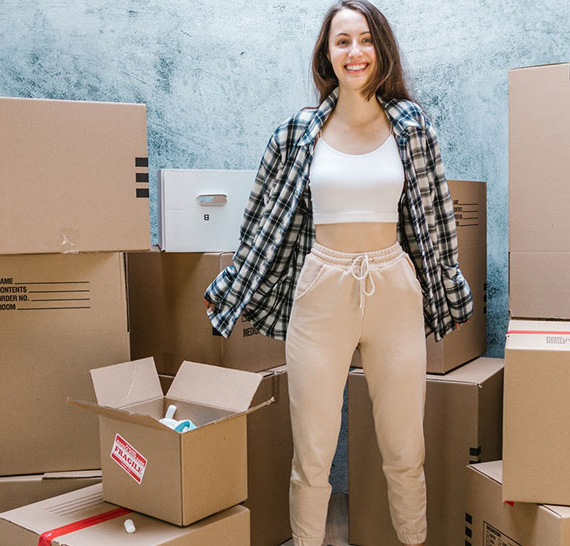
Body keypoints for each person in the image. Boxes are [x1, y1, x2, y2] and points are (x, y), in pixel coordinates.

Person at [204, 1, 473, 544]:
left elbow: (439, 215)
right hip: (321, 289)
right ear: (327, 55)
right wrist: (233, 285)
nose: (355, 52)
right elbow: (260, 221)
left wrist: (446, 285)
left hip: (393, 287)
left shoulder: (412, 127)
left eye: (366, 39)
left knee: (404, 450)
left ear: (382, 49)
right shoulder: (296, 133)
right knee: (313, 451)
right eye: (342, 41)